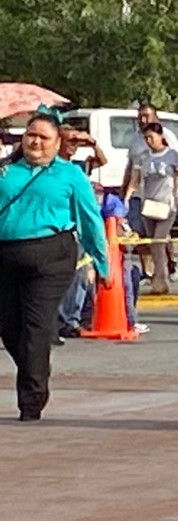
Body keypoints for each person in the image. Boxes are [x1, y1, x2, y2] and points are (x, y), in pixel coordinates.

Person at [0, 110, 109, 420]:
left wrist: (101, 263)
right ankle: (36, 369)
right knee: (9, 327)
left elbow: (90, 220)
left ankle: (31, 402)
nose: (35, 141)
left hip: (51, 257)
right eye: (30, 135)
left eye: (43, 137)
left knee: (36, 328)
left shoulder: (70, 175)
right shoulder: (7, 172)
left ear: (57, 142)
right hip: (6, 255)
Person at [123, 123, 178, 295]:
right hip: (149, 206)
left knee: (159, 241)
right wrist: (127, 198)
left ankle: (161, 279)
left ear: (160, 136)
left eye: (151, 137)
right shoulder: (144, 158)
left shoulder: (172, 155)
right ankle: (158, 276)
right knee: (152, 244)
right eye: (146, 138)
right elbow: (134, 180)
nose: (149, 141)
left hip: (167, 205)